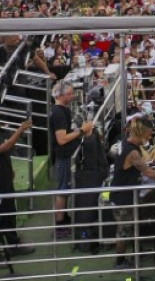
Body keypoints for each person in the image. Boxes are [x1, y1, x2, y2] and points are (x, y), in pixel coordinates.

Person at [112, 118, 155, 269]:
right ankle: (120, 262)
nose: (150, 138)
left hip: (128, 193)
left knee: (133, 225)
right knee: (124, 231)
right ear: (142, 133)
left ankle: (138, 252)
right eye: (149, 134)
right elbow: (148, 172)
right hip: (123, 197)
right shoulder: (132, 152)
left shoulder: (126, 143)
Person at [49, 81, 93, 237]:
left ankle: (63, 218)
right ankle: (60, 225)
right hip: (63, 157)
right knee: (62, 190)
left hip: (65, 156)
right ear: (60, 95)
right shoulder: (59, 113)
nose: (72, 96)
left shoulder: (61, 110)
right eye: (69, 94)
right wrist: (81, 130)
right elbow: (61, 139)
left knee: (65, 189)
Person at [0, 119, 35, 255]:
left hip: (5, 179)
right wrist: (19, 131)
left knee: (9, 213)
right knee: (5, 214)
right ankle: (12, 246)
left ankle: (13, 244)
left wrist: (10, 170)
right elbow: (4, 147)